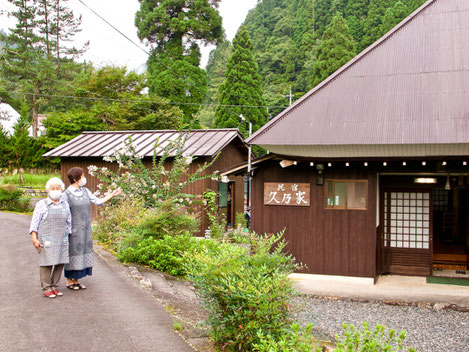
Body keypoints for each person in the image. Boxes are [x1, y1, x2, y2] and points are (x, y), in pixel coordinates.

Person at [62, 167, 121, 290]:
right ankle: (69, 281)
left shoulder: (86, 191)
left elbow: (98, 201)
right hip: (73, 228)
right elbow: (63, 212)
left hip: (85, 228)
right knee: (73, 252)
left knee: (82, 251)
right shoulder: (66, 194)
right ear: (75, 178)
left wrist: (112, 194)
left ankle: (76, 280)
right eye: (82, 176)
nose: (84, 178)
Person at [30, 177, 71, 298]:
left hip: (62, 238)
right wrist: (34, 238)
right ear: (48, 190)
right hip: (46, 238)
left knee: (60, 262)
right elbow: (34, 222)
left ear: (62, 190)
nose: (55, 190)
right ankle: (46, 287)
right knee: (46, 262)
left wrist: (69, 235)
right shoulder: (42, 204)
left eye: (58, 188)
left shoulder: (65, 204)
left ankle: (55, 286)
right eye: (53, 188)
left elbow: (69, 222)